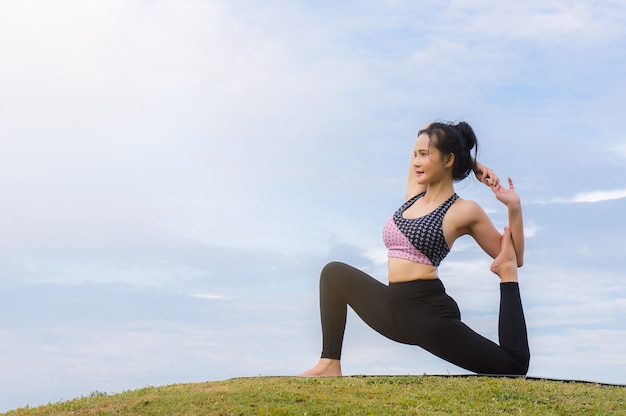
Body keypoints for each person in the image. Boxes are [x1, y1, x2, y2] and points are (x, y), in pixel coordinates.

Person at [300, 121, 530, 377]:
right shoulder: (414, 194)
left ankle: (506, 278)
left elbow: (513, 255)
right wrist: (473, 163)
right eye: (415, 155)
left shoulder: (464, 210)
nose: (417, 161)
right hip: (393, 306)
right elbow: (428, 128)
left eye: (425, 154)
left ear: (447, 159)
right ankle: (330, 363)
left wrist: (514, 208)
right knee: (333, 274)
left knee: (513, 367)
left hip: (428, 316)